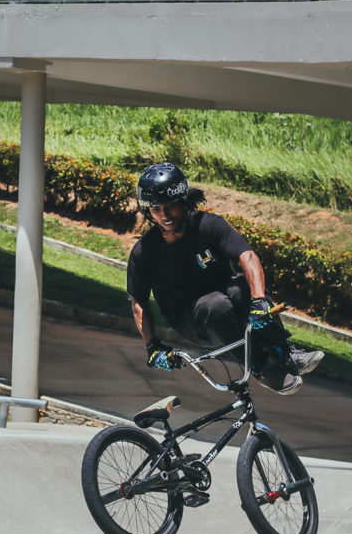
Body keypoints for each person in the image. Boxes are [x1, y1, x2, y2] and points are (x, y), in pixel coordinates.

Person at [126, 162, 323, 394]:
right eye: (156, 209)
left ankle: (285, 353)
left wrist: (259, 301)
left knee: (242, 286)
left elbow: (247, 256)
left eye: (170, 206)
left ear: (183, 201)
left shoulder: (208, 225)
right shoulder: (144, 252)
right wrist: (152, 347)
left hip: (228, 299)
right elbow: (138, 300)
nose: (165, 215)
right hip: (192, 321)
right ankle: (261, 368)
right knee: (215, 304)